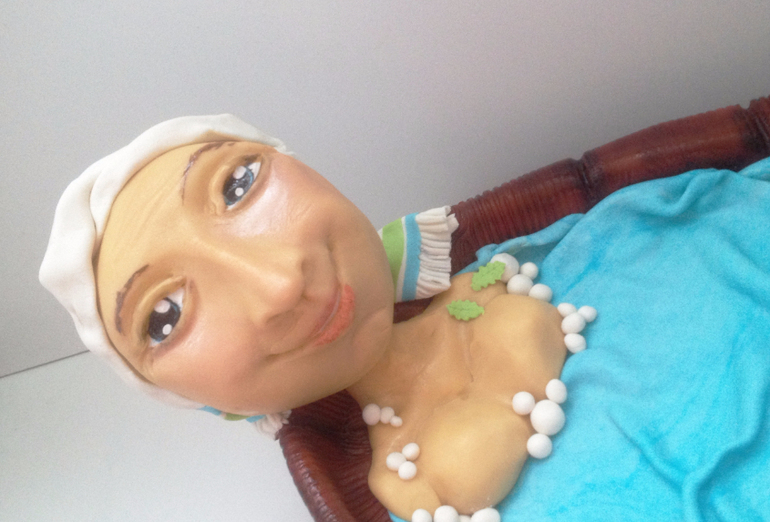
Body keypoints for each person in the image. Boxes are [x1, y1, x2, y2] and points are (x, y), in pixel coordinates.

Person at [40, 115, 570, 520]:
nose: (280, 287)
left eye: (237, 185)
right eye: (165, 316)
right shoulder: (409, 477)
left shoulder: (486, 289)